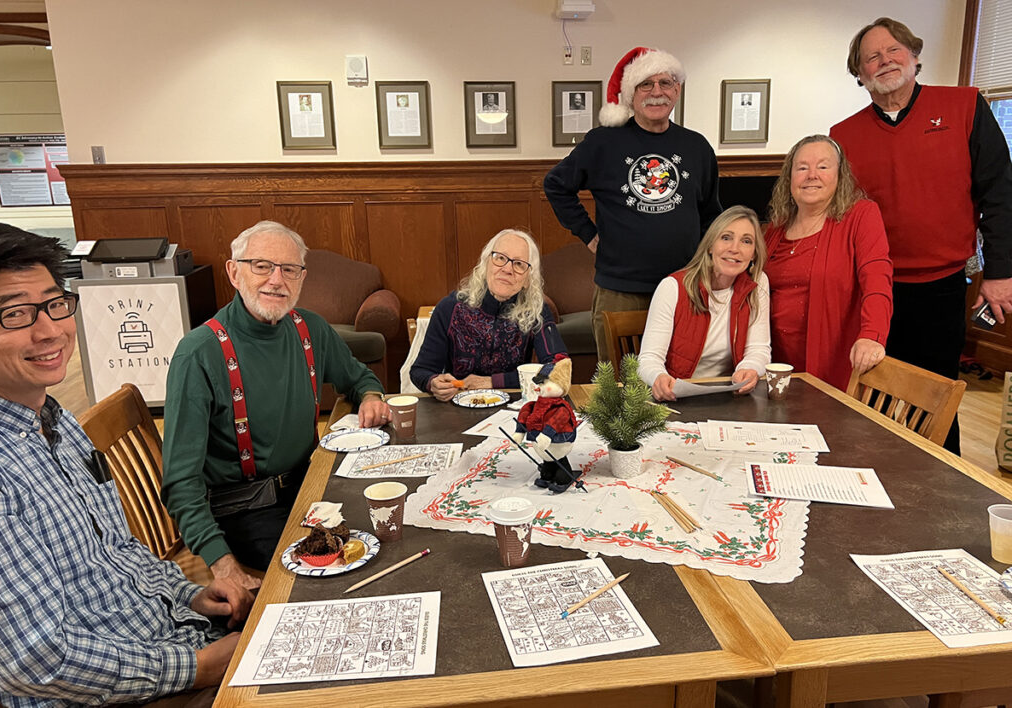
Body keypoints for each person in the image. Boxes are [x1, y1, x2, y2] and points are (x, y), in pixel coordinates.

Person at [0, 223, 253, 707]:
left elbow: (115, 552)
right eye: (15, 314)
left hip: (172, 635)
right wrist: (197, 668)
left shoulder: (54, 419)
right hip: (122, 690)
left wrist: (190, 595)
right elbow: (38, 662)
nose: (49, 330)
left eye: (53, 304)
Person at [162, 221, 389, 591]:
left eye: (289, 269)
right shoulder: (198, 353)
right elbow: (180, 483)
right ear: (234, 272)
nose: (276, 280)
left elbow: (359, 376)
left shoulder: (310, 328)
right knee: (336, 581)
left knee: (389, 532)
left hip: (313, 488)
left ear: (302, 277)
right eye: (262, 266)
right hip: (247, 512)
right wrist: (223, 565)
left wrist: (370, 396)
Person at [830, 17, 1012, 452]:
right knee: (869, 394)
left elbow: (1000, 193)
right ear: (860, 74)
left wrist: (1001, 272)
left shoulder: (966, 105)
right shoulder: (843, 136)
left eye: (894, 50)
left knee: (935, 396)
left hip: (941, 287)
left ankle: (942, 487)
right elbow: (839, 218)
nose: (885, 61)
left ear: (914, 56)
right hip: (872, 288)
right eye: (871, 56)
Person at [544, 46, 722, 361]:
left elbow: (711, 214)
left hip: (684, 286)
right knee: (619, 388)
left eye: (665, 83)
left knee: (680, 379)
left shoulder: (697, 147)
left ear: (677, 90)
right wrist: (587, 233)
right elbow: (556, 184)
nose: (657, 92)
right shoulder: (603, 142)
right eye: (645, 85)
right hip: (620, 290)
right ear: (631, 94)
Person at [762, 135, 893, 391]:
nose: (812, 175)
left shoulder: (860, 216)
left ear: (840, 175)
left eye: (823, 166)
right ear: (789, 178)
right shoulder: (776, 228)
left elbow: (877, 279)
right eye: (802, 168)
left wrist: (872, 335)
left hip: (832, 361)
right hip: (775, 363)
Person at [410, 228, 567, 401]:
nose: (508, 269)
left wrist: (493, 382)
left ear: (528, 279)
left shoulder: (536, 311)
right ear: (486, 264)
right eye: (500, 258)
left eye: (519, 264)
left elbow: (559, 369)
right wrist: (433, 383)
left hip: (513, 411)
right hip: (457, 410)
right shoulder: (449, 308)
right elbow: (420, 370)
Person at [638, 205, 771, 400]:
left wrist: (749, 369)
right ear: (710, 245)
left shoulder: (758, 283)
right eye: (726, 238)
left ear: (754, 254)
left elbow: (759, 349)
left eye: (746, 241)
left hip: (729, 396)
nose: (734, 249)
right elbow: (648, 359)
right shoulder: (672, 287)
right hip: (676, 397)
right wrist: (658, 377)